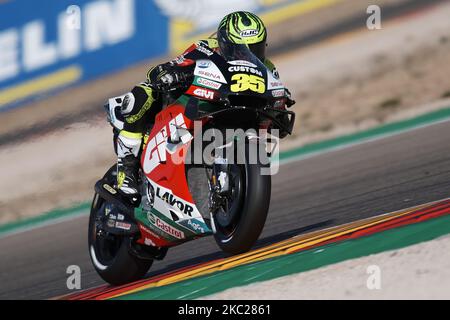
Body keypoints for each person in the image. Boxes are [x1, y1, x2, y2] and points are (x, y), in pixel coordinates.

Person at [114, 11, 295, 198]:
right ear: (224, 43)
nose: (247, 54)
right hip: (195, 105)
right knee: (143, 93)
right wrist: (172, 74)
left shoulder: (267, 68)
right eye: (240, 48)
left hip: (237, 118)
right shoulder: (206, 49)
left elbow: (277, 120)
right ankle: (127, 167)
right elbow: (162, 70)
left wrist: (281, 104)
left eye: (254, 48)